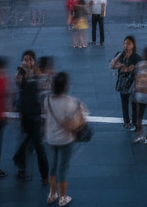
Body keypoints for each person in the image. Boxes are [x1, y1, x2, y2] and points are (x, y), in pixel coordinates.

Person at [43, 71, 84, 207]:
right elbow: (76, 120)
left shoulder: (47, 99)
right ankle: (63, 197)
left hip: (50, 137)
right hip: (65, 139)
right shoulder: (70, 102)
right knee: (63, 168)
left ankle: (51, 194)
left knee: (53, 166)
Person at [12, 51, 48, 183]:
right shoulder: (20, 73)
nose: (28, 62)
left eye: (30, 59)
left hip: (35, 113)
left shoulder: (37, 72)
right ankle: (22, 169)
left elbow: (43, 85)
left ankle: (44, 176)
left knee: (35, 144)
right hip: (25, 113)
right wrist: (23, 69)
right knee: (29, 141)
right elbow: (18, 82)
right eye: (25, 59)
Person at [110, 35, 141, 129]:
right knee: (124, 103)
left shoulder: (136, 57)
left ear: (133, 45)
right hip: (122, 83)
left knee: (134, 103)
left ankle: (134, 122)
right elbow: (112, 65)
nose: (126, 45)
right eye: (125, 43)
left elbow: (142, 67)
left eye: (129, 43)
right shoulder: (120, 54)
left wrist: (133, 68)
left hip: (132, 84)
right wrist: (118, 66)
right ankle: (126, 121)